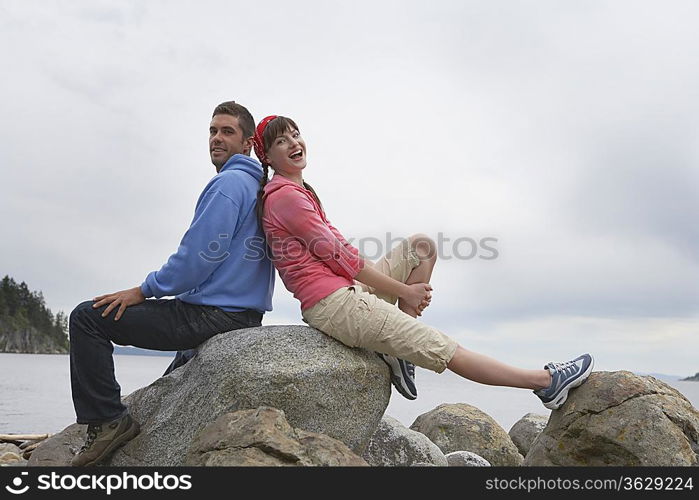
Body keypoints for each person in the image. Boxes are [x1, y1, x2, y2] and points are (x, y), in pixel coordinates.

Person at [254, 114, 594, 413]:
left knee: (422, 247)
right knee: (443, 347)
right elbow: (345, 261)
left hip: (346, 288)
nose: (293, 143)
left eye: (295, 134)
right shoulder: (285, 197)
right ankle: (547, 383)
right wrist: (406, 291)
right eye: (281, 141)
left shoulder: (300, 190)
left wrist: (401, 294)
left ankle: (399, 353)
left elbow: (344, 254)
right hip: (334, 304)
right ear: (268, 156)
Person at [68, 101, 274, 467]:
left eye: (227, 132)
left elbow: (196, 259)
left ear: (247, 144)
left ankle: (107, 421)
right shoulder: (260, 187)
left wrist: (143, 289)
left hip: (211, 316)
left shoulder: (229, 184)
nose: (216, 138)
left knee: (87, 317)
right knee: (173, 382)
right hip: (243, 317)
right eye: (212, 131)